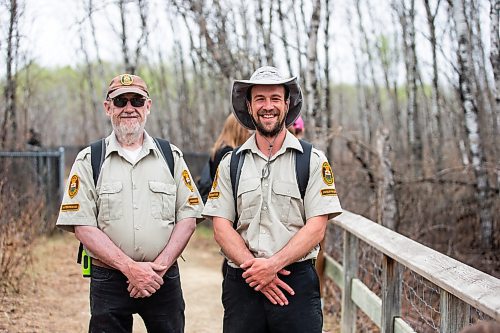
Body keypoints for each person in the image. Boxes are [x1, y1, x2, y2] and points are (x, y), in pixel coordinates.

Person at [56, 73, 203, 333]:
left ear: (148, 106)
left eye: (136, 100)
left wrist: (157, 269)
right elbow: (82, 225)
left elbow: (189, 218)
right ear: (107, 107)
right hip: (109, 279)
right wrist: (130, 268)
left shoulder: (171, 156)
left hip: (163, 278)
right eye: (120, 101)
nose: (129, 108)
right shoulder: (89, 160)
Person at [202, 66, 342, 333]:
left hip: (295, 285)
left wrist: (273, 266)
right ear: (249, 105)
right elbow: (221, 227)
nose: (268, 106)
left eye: (275, 98)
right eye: (260, 99)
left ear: (287, 104)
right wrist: (257, 272)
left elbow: (317, 227)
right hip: (243, 282)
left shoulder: (312, 160)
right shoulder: (231, 163)